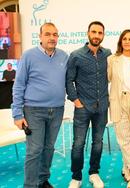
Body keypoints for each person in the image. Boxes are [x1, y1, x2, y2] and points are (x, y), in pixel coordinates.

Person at [12, 22, 68, 188]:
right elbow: (19, 85)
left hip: (57, 110)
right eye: (48, 34)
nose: (52, 38)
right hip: (34, 111)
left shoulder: (64, 56)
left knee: (49, 148)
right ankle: (30, 185)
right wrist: (17, 114)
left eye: (55, 34)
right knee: (34, 150)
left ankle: (43, 180)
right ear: (40, 36)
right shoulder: (28, 56)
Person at [66, 21, 111, 188]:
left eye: (100, 33)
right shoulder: (76, 55)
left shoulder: (108, 54)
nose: (97, 35)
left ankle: (94, 173)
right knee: (78, 143)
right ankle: (76, 177)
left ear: (103, 35)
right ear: (88, 33)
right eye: (94, 32)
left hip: (102, 107)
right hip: (83, 107)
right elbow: (69, 80)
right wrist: (76, 101)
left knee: (98, 142)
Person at [107, 29, 130, 188]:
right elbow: (107, 79)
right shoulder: (112, 59)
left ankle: (126, 168)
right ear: (120, 41)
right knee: (124, 139)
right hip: (118, 101)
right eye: (125, 39)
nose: (127, 41)